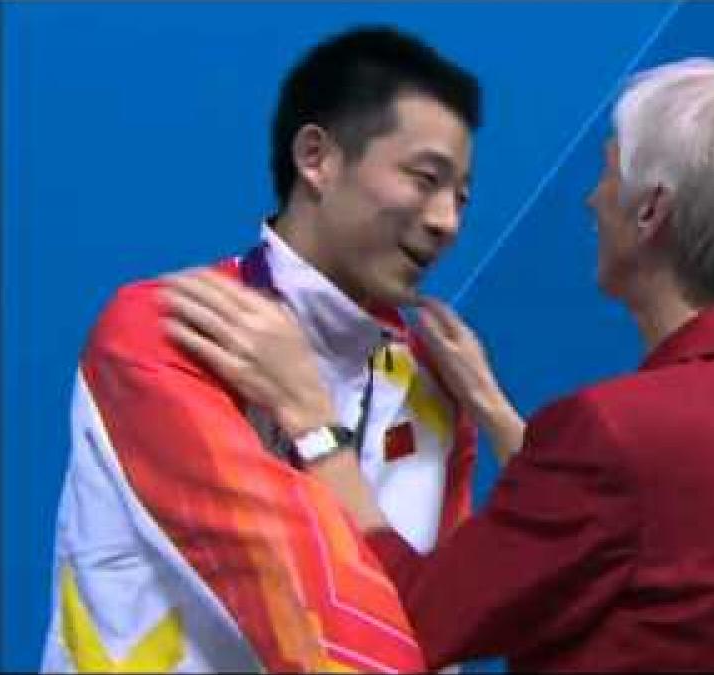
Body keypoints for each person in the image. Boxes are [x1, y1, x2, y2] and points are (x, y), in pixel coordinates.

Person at [163, 57, 714, 670]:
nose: (595, 196)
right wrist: (496, 412)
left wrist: (314, 420)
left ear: (651, 211)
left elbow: (412, 620)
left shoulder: (616, 433)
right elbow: (656, 531)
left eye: (609, 169)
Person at [41, 26, 482, 673]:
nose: (447, 220)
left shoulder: (435, 390)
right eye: (426, 178)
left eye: (462, 197)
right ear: (316, 158)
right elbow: (307, 612)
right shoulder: (162, 330)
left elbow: (445, 629)